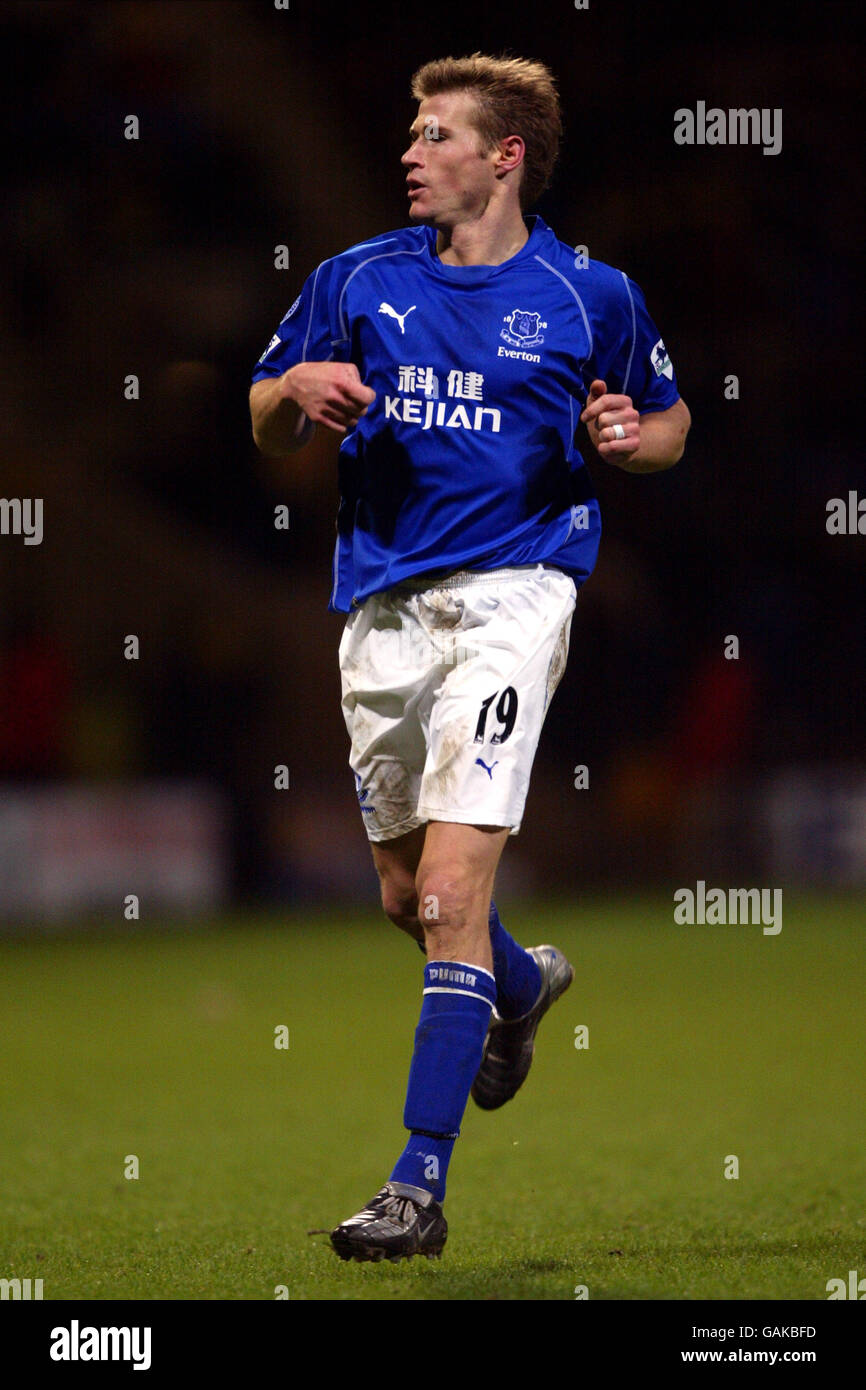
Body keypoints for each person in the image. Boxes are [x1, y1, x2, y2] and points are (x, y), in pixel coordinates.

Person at [249, 52, 691, 1263]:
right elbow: (260, 409)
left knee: (449, 890)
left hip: (515, 594)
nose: (408, 151)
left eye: (433, 133)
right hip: (382, 608)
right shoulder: (353, 281)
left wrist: (625, 435)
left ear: (501, 158)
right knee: (406, 898)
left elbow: (664, 419)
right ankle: (518, 983)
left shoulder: (588, 293)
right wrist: (296, 386)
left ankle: (415, 1185)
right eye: (408, 131)